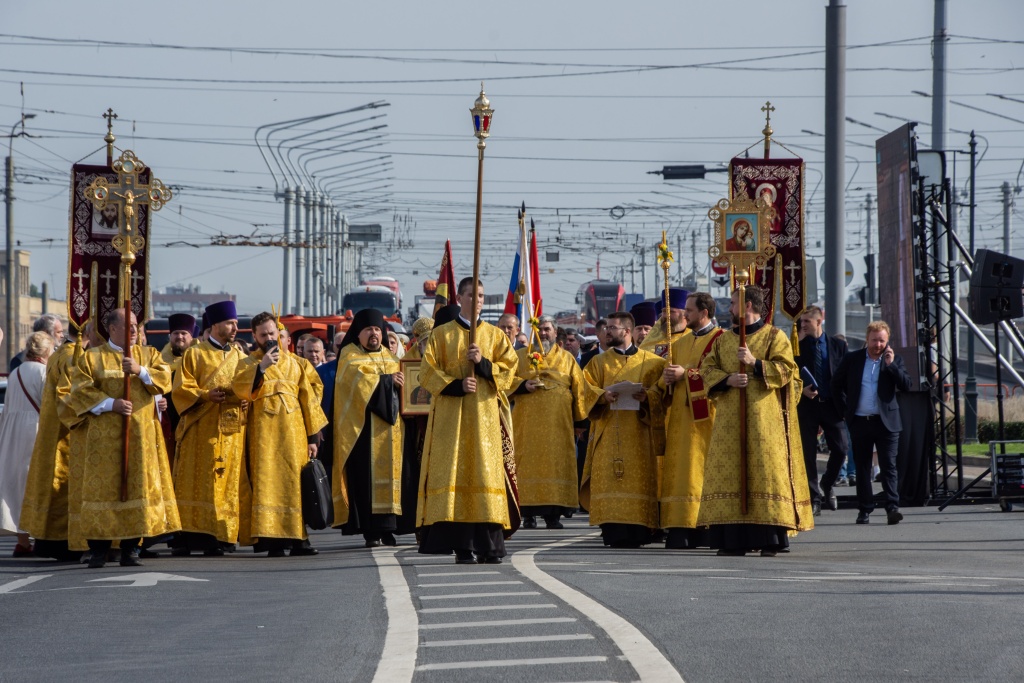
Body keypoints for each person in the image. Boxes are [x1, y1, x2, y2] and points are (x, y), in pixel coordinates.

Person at [696, 285, 813, 556]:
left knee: (766, 474)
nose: (729, 309)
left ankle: (770, 538)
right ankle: (732, 540)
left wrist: (754, 363)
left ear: (748, 306)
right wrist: (727, 380)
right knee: (731, 474)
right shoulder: (724, 339)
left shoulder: (775, 336)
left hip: (764, 421)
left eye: (734, 303)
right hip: (728, 421)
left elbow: (788, 372)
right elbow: (707, 369)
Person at [60, 309, 180, 568]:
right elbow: (79, 390)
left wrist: (140, 371)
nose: (135, 330)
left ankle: (131, 549)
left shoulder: (149, 355)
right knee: (102, 490)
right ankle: (98, 550)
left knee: (135, 489)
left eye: (136, 325)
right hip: (103, 441)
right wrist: (110, 403)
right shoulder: (92, 358)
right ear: (112, 329)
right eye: (128, 326)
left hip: (139, 438)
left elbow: (164, 381)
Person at [417, 277, 519, 564]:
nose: (478, 300)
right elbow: (426, 372)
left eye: (482, 296)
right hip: (452, 419)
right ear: (460, 298)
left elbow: (511, 371)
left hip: (485, 419)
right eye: (472, 295)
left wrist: (484, 363)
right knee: (456, 476)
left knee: (486, 476)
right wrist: (456, 385)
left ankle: (490, 547)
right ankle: (463, 547)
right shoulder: (442, 334)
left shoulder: (496, 336)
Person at [233, 312, 327, 557]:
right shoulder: (247, 363)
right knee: (267, 486)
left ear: (279, 333)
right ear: (254, 336)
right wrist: (261, 368)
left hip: (293, 436)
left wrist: (313, 438)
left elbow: (309, 399)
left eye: (272, 333)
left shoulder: (296, 363)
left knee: (296, 486)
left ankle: (299, 540)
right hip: (262, 438)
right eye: (263, 334)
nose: (269, 338)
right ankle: (272, 541)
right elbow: (240, 390)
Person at [581, 311, 667, 548]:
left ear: (627, 331)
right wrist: (601, 395)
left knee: (638, 481)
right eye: (607, 328)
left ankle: (641, 531)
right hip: (608, 431)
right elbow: (583, 390)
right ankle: (610, 530)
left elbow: (663, 397)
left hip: (640, 434)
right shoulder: (597, 362)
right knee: (610, 479)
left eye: (612, 328)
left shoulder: (653, 363)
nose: (607, 332)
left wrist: (647, 396)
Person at [169, 301, 248, 556]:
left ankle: (223, 535)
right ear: (215, 325)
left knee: (226, 483)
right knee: (198, 481)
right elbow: (181, 389)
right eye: (230, 323)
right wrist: (205, 395)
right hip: (200, 428)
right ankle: (194, 536)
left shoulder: (240, 356)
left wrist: (247, 397)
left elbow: (249, 387)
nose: (235, 328)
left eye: (236, 323)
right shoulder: (195, 353)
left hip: (231, 429)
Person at [510, 315, 598, 530]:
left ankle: (553, 515)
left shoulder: (567, 359)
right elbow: (504, 381)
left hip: (558, 423)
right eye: (539, 329)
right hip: (527, 423)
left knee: (556, 465)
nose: (543, 333)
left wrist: (580, 423)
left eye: (547, 329)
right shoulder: (520, 356)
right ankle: (527, 514)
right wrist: (522, 385)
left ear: (555, 331)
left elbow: (579, 390)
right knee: (527, 464)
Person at [331, 309, 406, 548]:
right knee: (366, 480)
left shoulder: (392, 358)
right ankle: (371, 531)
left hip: (392, 432)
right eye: (368, 330)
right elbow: (355, 382)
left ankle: (389, 528)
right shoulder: (349, 356)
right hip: (363, 431)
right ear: (359, 334)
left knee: (395, 477)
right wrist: (387, 381)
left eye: (376, 329)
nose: (373, 334)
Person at [831, 320, 912, 525]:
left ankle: (892, 507)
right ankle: (864, 509)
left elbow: (906, 386)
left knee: (888, 466)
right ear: (867, 339)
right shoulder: (852, 359)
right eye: (874, 340)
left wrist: (891, 365)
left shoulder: (894, 360)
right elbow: (836, 385)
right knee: (863, 467)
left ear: (888, 341)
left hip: (886, 423)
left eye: (882, 341)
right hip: (860, 421)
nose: (878, 345)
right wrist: (844, 410)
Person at [19, 324, 89, 561]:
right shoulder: (73, 357)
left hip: (52, 432)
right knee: (64, 488)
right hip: (67, 434)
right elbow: (69, 397)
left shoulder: (60, 353)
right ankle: (66, 543)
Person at [659, 292, 723, 549]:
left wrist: (686, 374)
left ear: (704, 313)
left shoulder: (721, 340)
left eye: (689, 310)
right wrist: (665, 381)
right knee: (680, 474)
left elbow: (721, 376)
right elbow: (669, 381)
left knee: (701, 473)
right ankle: (680, 528)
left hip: (706, 420)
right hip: (678, 420)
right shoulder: (681, 343)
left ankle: (706, 528)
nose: (684, 314)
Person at [0, 332, 54, 556]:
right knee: (37, 483)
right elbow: (49, 405)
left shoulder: (15, 373)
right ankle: (39, 536)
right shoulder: (44, 372)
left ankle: (23, 541)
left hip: (12, 433)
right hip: (35, 430)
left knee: (17, 485)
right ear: (45, 352)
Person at [795, 305, 849, 516]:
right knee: (808, 453)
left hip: (831, 405)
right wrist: (801, 390)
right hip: (807, 404)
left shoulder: (838, 345)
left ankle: (827, 483)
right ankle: (813, 498)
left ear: (819, 321)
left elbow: (845, 376)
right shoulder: (797, 346)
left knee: (841, 448)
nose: (803, 325)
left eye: (807, 321)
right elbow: (789, 372)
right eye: (802, 322)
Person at [640, 289, 689, 359]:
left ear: (685, 314)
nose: (666, 315)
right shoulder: (651, 341)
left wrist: (683, 370)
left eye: (671, 312)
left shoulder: (694, 339)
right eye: (664, 311)